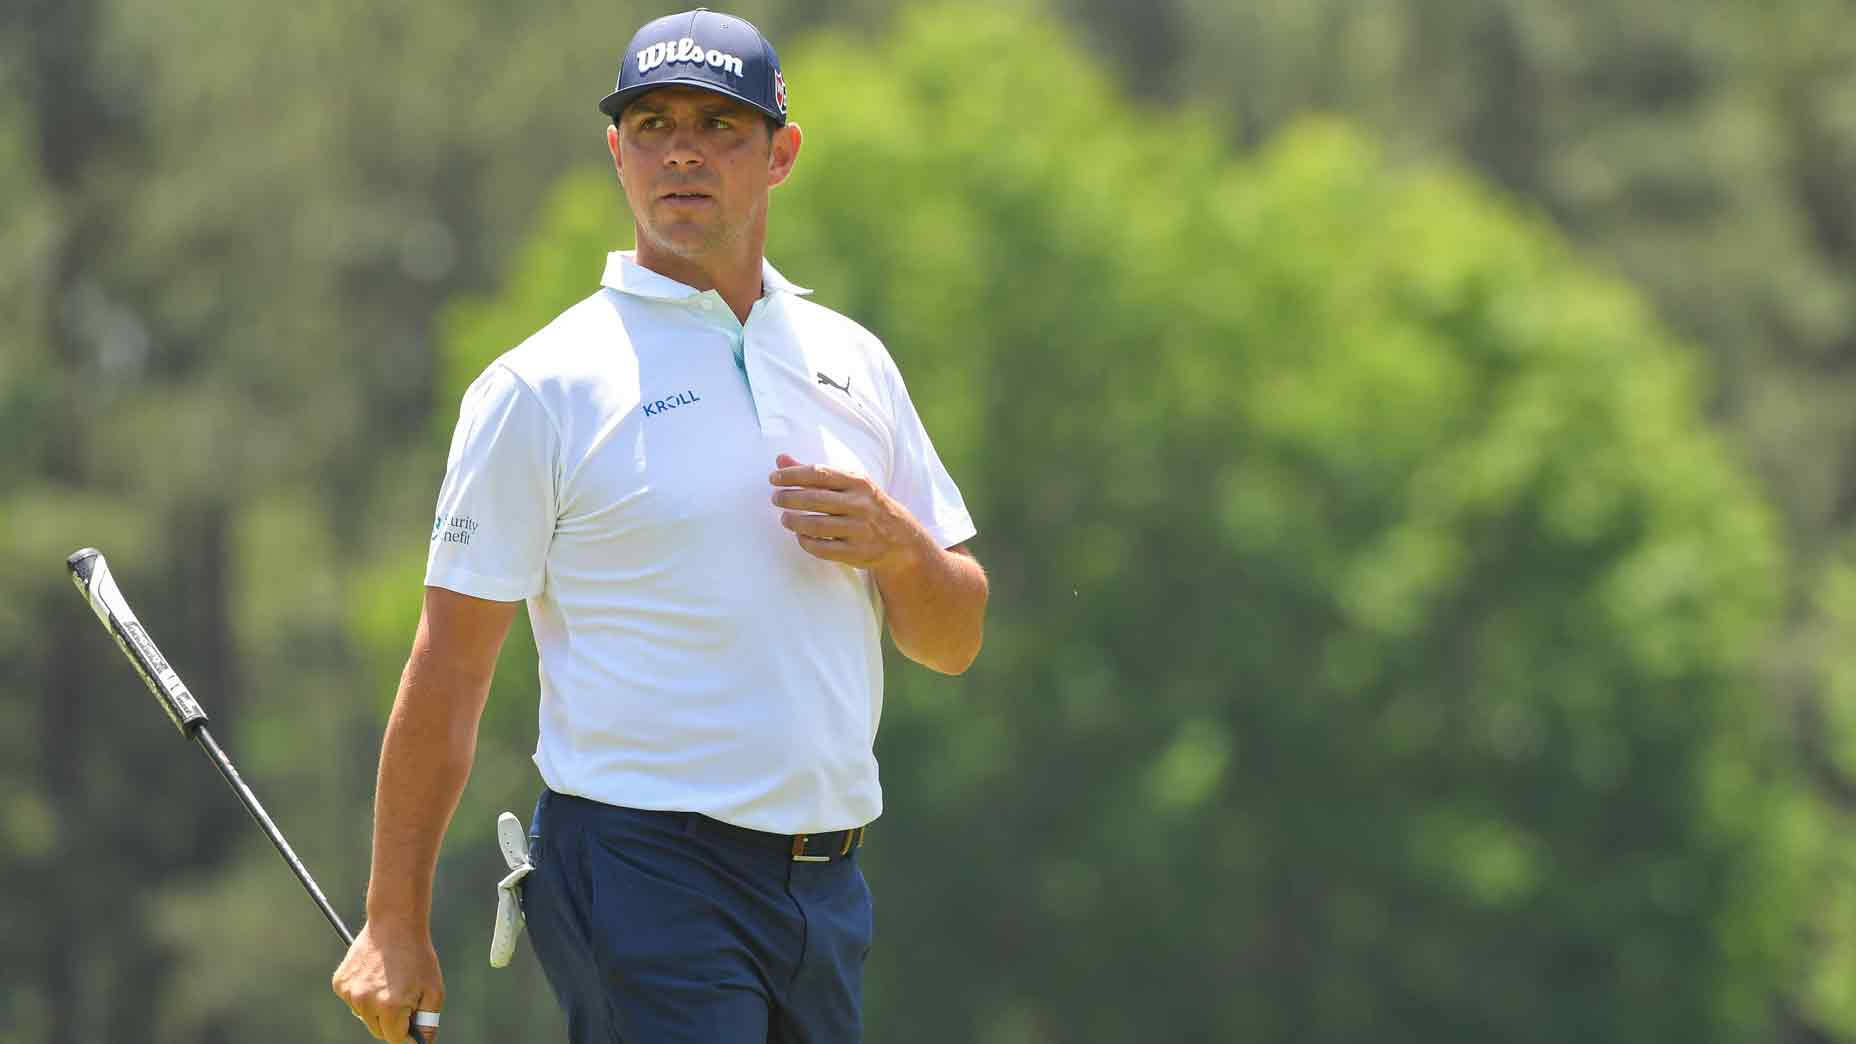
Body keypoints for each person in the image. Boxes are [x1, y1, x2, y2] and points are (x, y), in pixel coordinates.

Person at [331, 8, 988, 1043]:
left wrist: (900, 548)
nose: (681, 149)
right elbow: (450, 668)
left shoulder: (850, 361)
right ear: (615, 152)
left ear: (781, 154)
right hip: (640, 869)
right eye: (651, 123)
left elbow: (950, 641)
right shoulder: (542, 387)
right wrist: (391, 919)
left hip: (825, 884)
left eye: (720, 125)